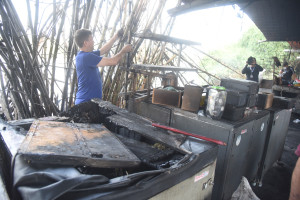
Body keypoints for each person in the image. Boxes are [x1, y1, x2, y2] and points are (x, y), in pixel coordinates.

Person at [74, 28, 132, 105]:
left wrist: (116, 36)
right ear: (86, 43)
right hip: (85, 103)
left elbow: (103, 50)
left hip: (89, 101)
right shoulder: (86, 57)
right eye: (91, 39)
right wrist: (123, 51)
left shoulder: (83, 55)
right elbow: (114, 61)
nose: (93, 41)